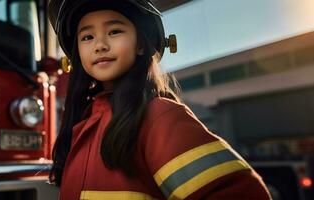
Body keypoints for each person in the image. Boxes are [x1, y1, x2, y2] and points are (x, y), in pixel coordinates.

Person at [47, 0, 272, 199]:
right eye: (87, 37)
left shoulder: (159, 117)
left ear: (142, 44)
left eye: (114, 31)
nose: (100, 45)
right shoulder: (82, 126)